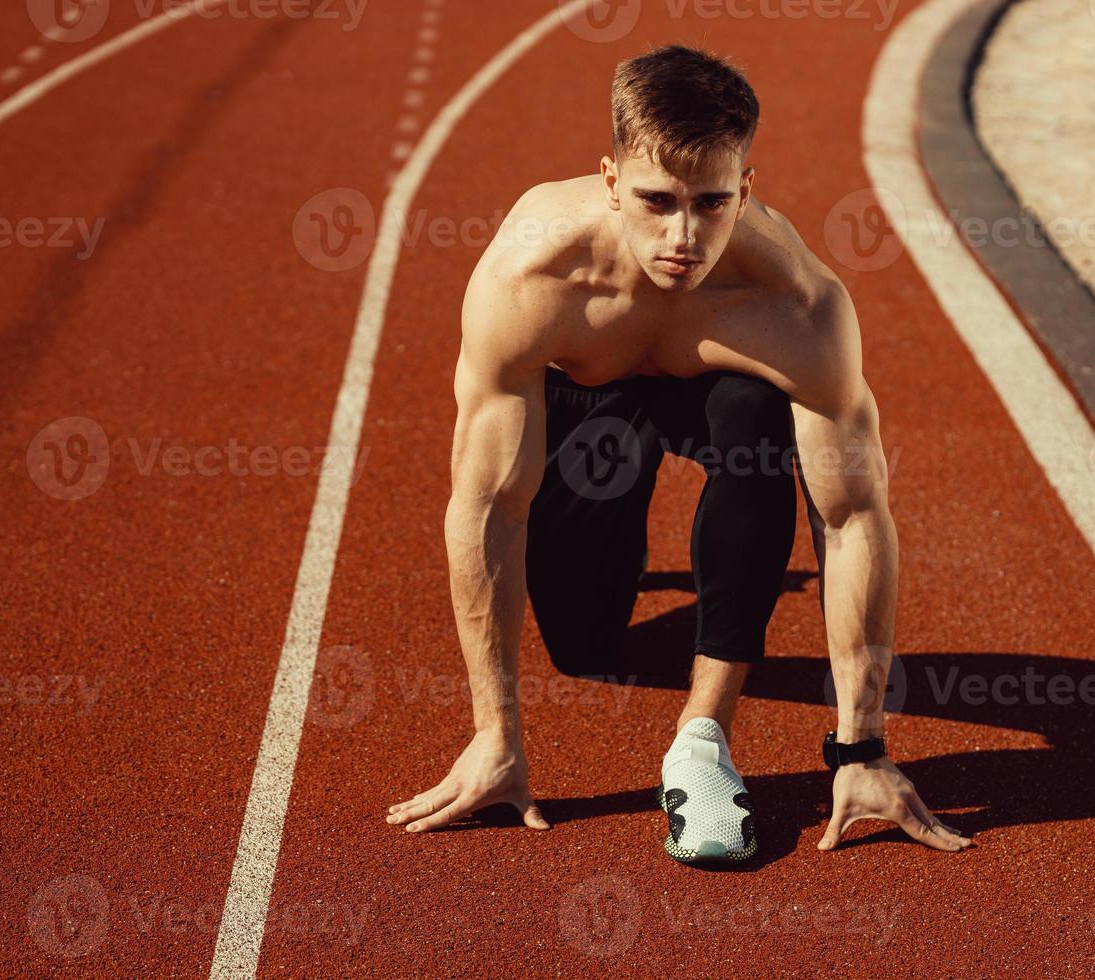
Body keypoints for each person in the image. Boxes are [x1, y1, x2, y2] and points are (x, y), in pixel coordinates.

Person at [385, 44, 972, 862]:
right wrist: (494, 733)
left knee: (757, 418)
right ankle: (621, 566)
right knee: (586, 647)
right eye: (657, 201)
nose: (684, 236)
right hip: (589, 404)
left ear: (747, 189)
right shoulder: (534, 278)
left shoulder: (797, 307)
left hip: (719, 391)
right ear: (610, 180)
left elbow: (852, 518)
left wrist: (862, 746)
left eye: (712, 202)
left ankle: (703, 736)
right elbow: (489, 504)